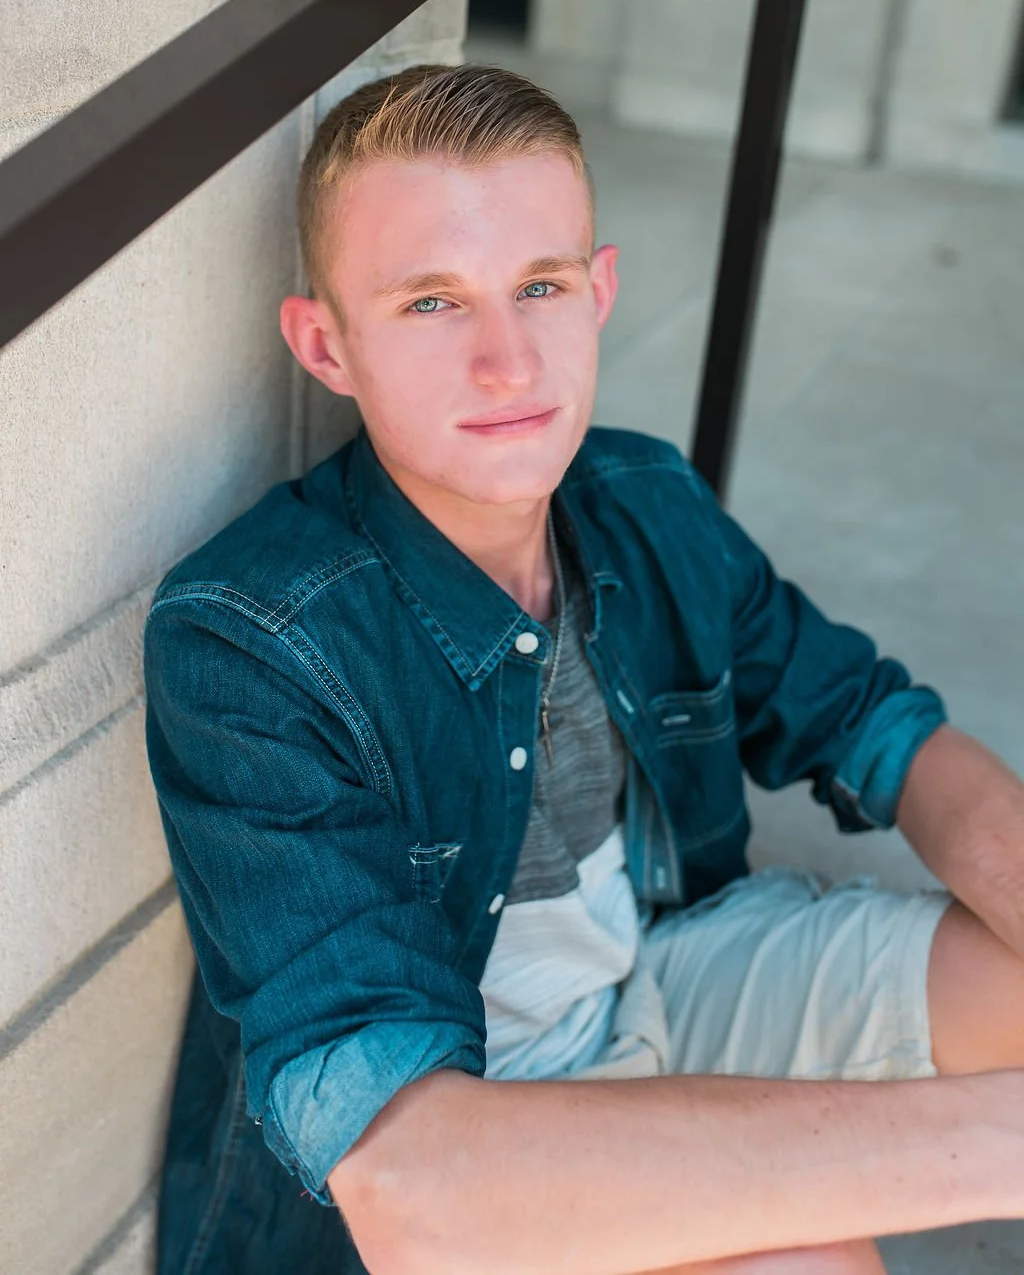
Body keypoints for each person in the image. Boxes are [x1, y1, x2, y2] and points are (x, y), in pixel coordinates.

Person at [143, 63, 1024, 1275]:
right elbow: (410, 1181)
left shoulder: (642, 498)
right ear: (326, 345)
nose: (508, 362)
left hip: (661, 970)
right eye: (432, 303)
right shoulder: (250, 636)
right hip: (476, 1129)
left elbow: (879, 726)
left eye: (539, 286)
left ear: (598, 291)